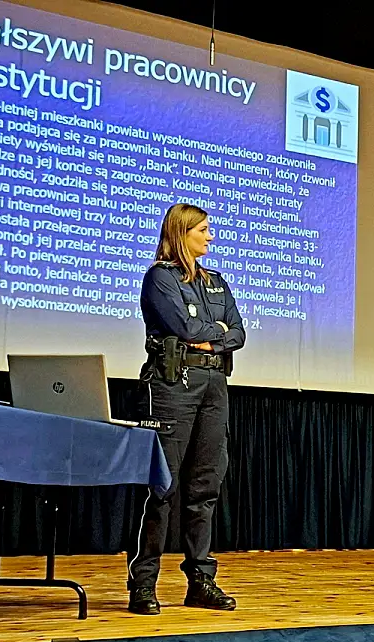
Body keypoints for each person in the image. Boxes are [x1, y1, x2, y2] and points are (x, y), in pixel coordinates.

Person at [126, 203, 245, 615]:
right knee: (162, 487)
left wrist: (214, 337)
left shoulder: (216, 282)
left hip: (214, 385)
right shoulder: (161, 278)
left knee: (205, 488)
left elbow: (239, 333)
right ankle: (143, 583)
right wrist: (217, 332)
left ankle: (200, 581)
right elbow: (185, 329)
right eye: (203, 230)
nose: (210, 237)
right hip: (172, 384)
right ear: (182, 232)